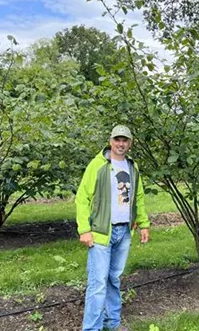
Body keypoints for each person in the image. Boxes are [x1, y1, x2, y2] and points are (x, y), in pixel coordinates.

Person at [76, 125, 150, 331]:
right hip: (100, 233)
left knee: (113, 279)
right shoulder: (97, 165)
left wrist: (143, 224)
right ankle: (91, 328)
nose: (121, 144)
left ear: (130, 143)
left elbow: (139, 198)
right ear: (111, 141)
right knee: (98, 284)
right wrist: (84, 229)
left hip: (124, 231)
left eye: (125, 140)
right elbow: (82, 198)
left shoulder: (132, 167)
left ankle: (112, 323)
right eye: (117, 139)